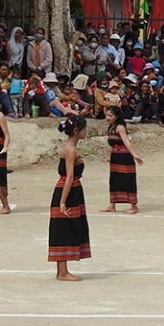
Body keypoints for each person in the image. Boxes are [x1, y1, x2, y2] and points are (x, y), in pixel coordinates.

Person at [49, 117, 90, 281]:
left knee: (67, 227)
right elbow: (69, 176)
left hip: (72, 189)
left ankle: (62, 270)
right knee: (64, 228)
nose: (86, 132)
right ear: (76, 131)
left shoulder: (70, 147)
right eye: (84, 129)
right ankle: (62, 272)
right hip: (68, 190)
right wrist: (63, 202)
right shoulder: (70, 150)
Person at [101, 105, 143, 214]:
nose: (108, 117)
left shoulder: (120, 127)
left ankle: (134, 206)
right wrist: (109, 156)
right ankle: (112, 204)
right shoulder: (111, 126)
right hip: (115, 157)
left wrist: (134, 155)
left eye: (111, 115)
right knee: (114, 180)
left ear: (117, 116)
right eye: (107, 115)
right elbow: (113, 145)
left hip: (124, 157)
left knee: (128, 180)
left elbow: (126, 141)